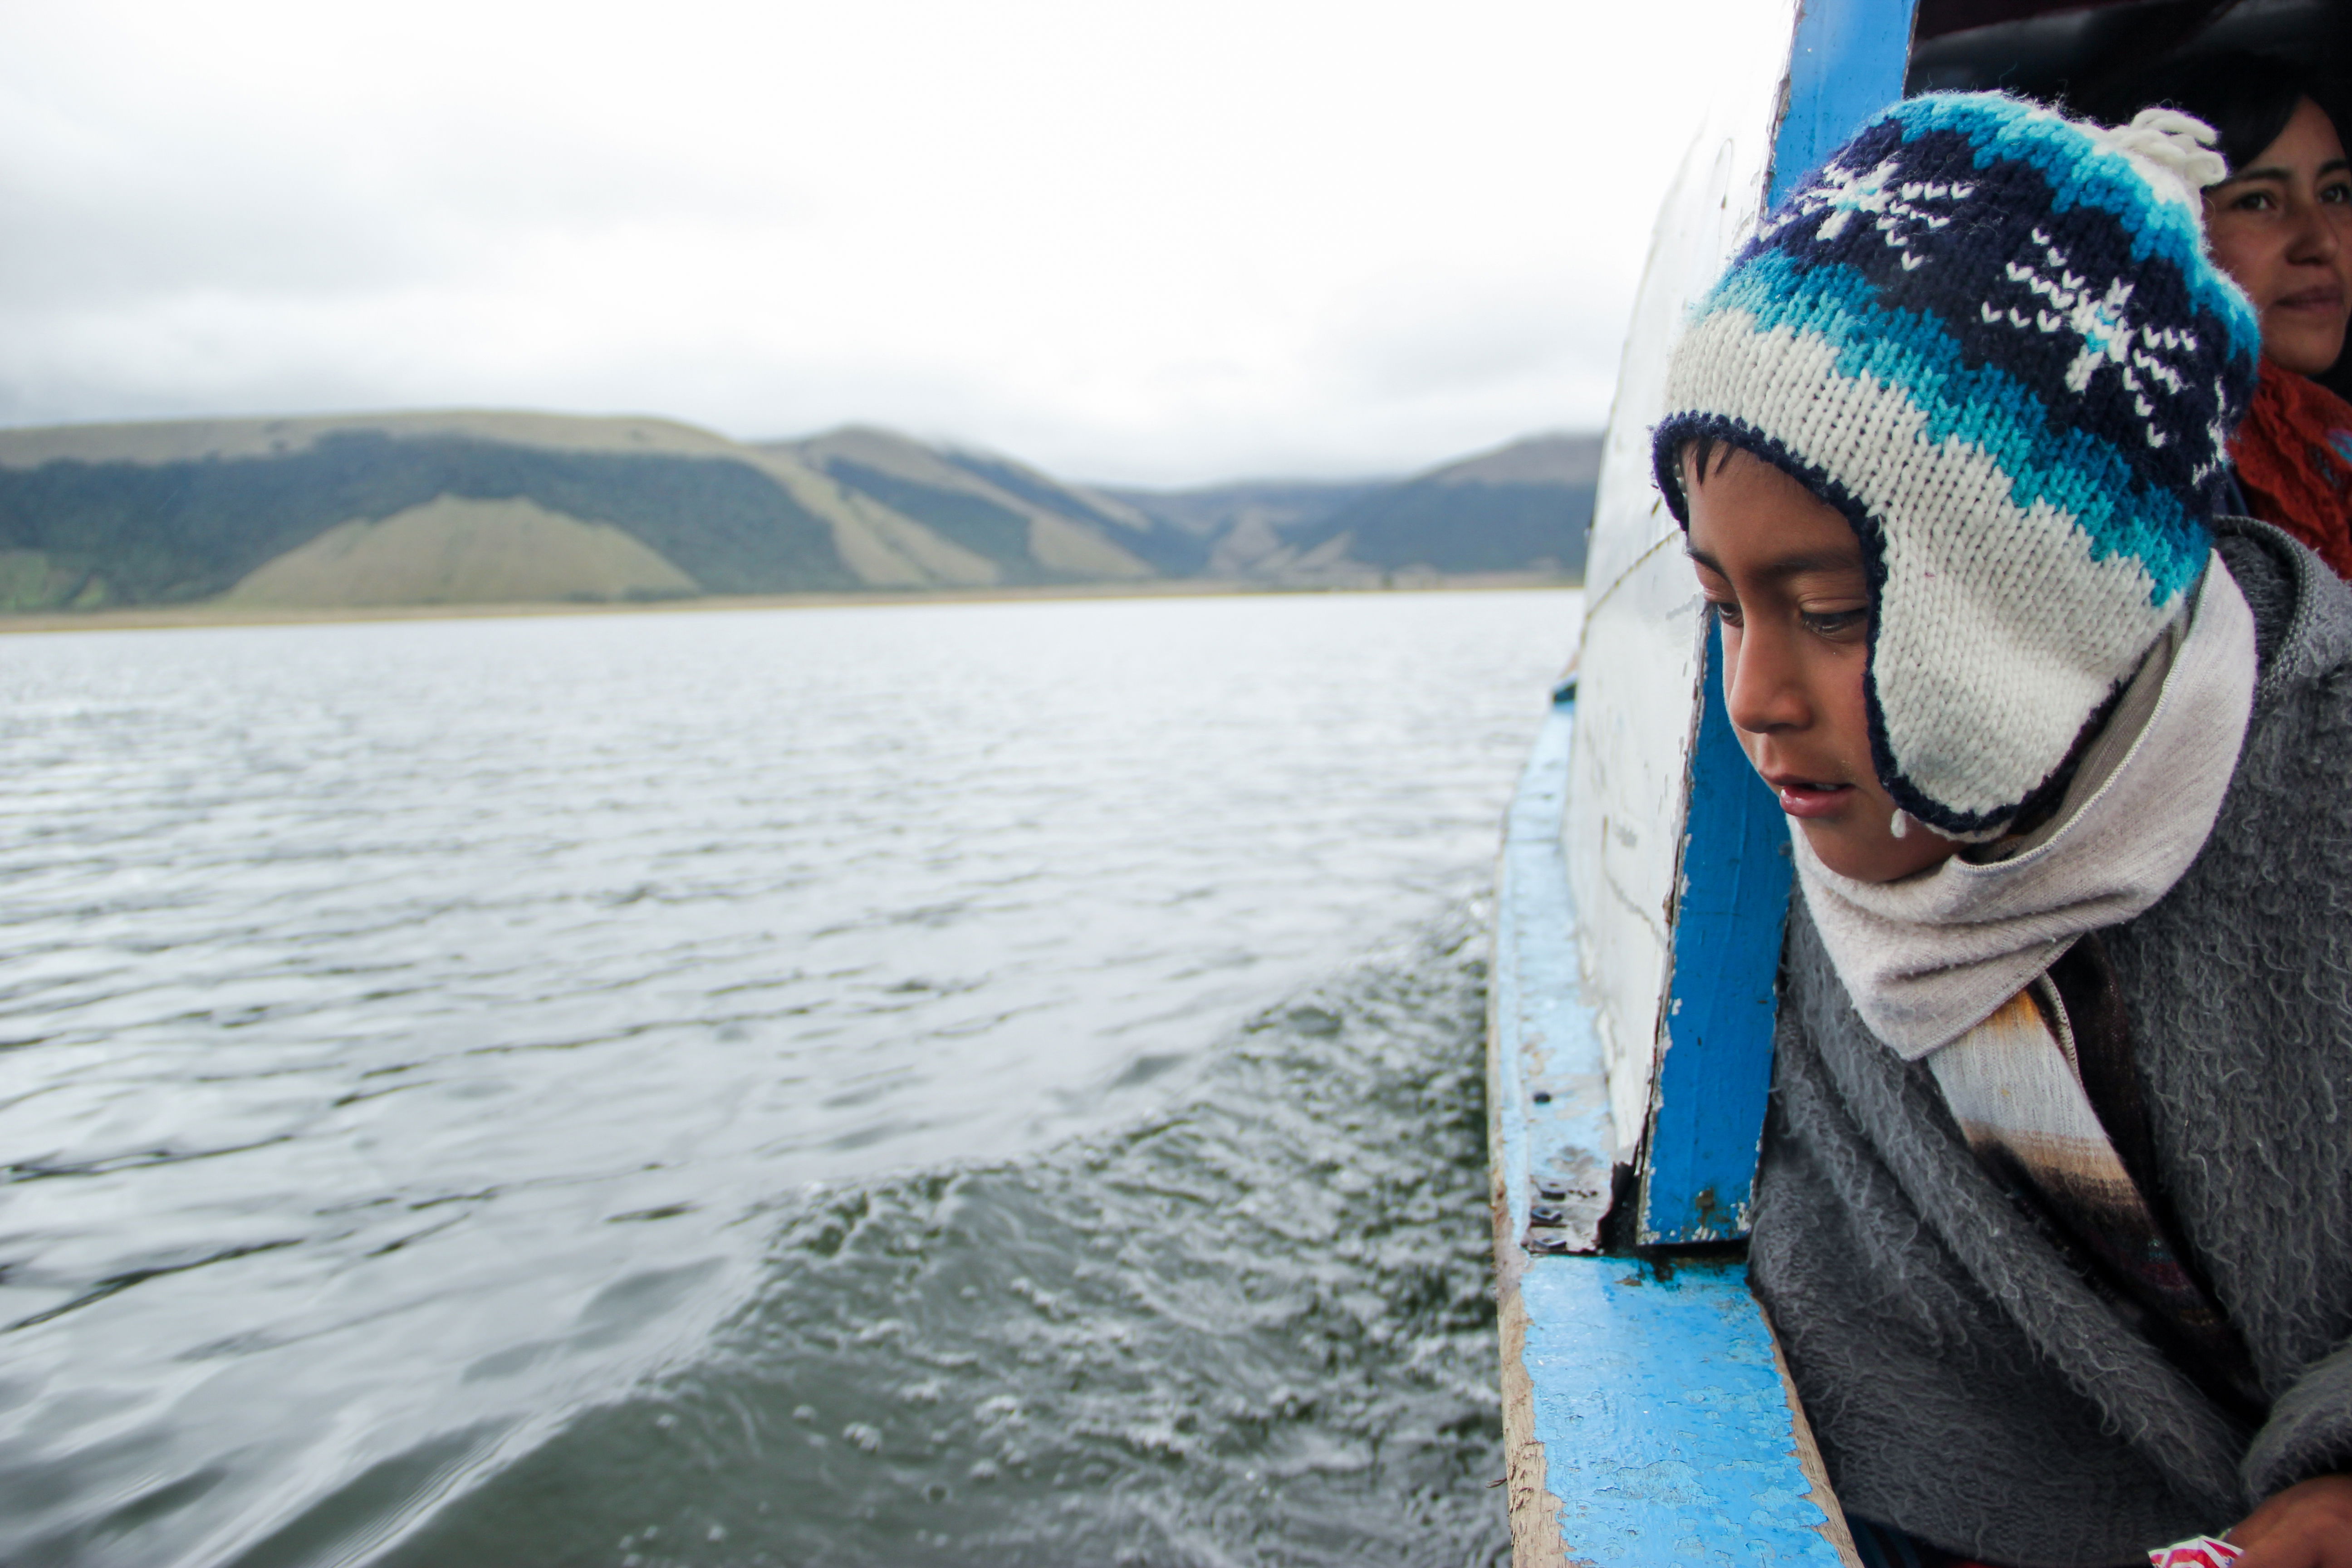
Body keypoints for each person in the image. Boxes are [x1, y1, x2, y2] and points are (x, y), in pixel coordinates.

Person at [1648, 93, 2352, 1568]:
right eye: (1721, 606)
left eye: (1832, 610)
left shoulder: (2318, 811)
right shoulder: (1761, 895)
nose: (1755, 699)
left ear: (2041, 603)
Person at [2114, 56, 2352, 578]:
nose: (2323, 241)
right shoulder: (2158, 475)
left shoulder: (2332, 443)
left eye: (2335, 193)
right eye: (2259, 201)